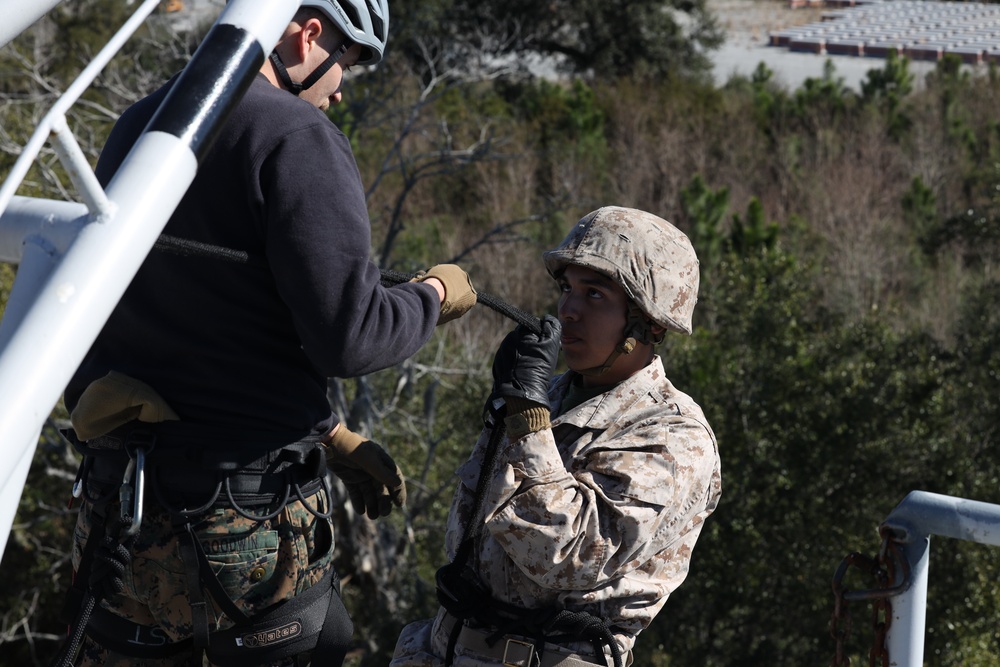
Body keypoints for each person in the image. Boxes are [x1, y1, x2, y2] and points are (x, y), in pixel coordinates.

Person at [57, 1, 476, 666]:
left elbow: (190, 321)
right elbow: (352, 335)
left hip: (124, 521)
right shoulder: (294, 135)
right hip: (240, 529)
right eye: (348, 65)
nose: (340, 91)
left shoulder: (142, 121)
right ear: (306, 33)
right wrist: (432, 294)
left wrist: (331, 435)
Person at [391, 206, 722, 667]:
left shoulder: (674, 435)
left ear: (651, 323)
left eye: (595, 295)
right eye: (567, 288)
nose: (568, 310)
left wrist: (527, 419)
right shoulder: (546, 395)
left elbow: (567, 556)